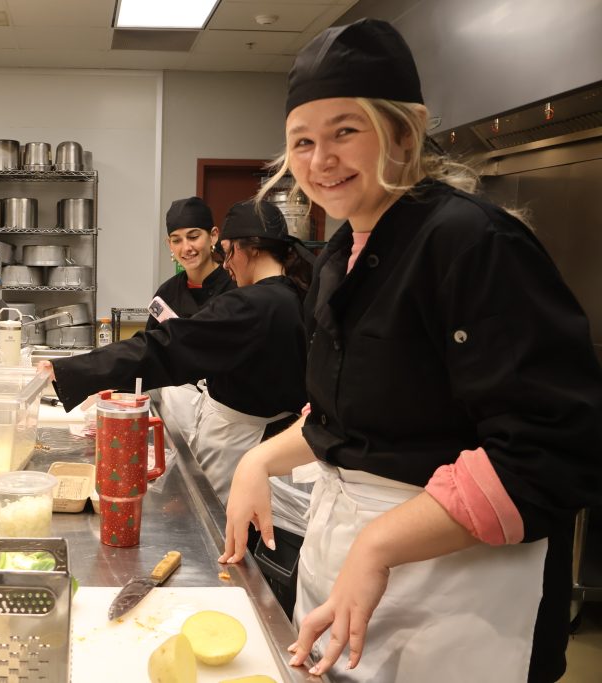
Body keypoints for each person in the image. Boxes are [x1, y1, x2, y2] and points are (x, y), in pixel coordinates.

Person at [218, 18, 602, 683]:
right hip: (350, 563)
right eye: (301, 141)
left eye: (345, 131)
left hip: (454, 585)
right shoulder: (344, 250)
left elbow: (553, 450)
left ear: (404, 130)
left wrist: (380, 542)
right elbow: (354, 414)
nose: (320, 159)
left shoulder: (470, 242)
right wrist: (260, 459)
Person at [40, 200, 312, 515]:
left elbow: (164, 347)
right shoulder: (292, 295)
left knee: (218, 526)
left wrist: (75, 370)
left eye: (227, 251)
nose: (226, 264)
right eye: (176, 239)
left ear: (246, 249)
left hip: (241, 444)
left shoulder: (253, 305)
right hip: (270, 441)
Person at [146, 197, 236, 453]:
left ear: (213, 236)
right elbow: (150, 351)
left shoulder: (235, 288)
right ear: (169, 245)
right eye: (177, 240)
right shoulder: (167, 293)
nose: (186, 247)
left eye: (193, 236)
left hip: (226, 418)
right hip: (175, 415)